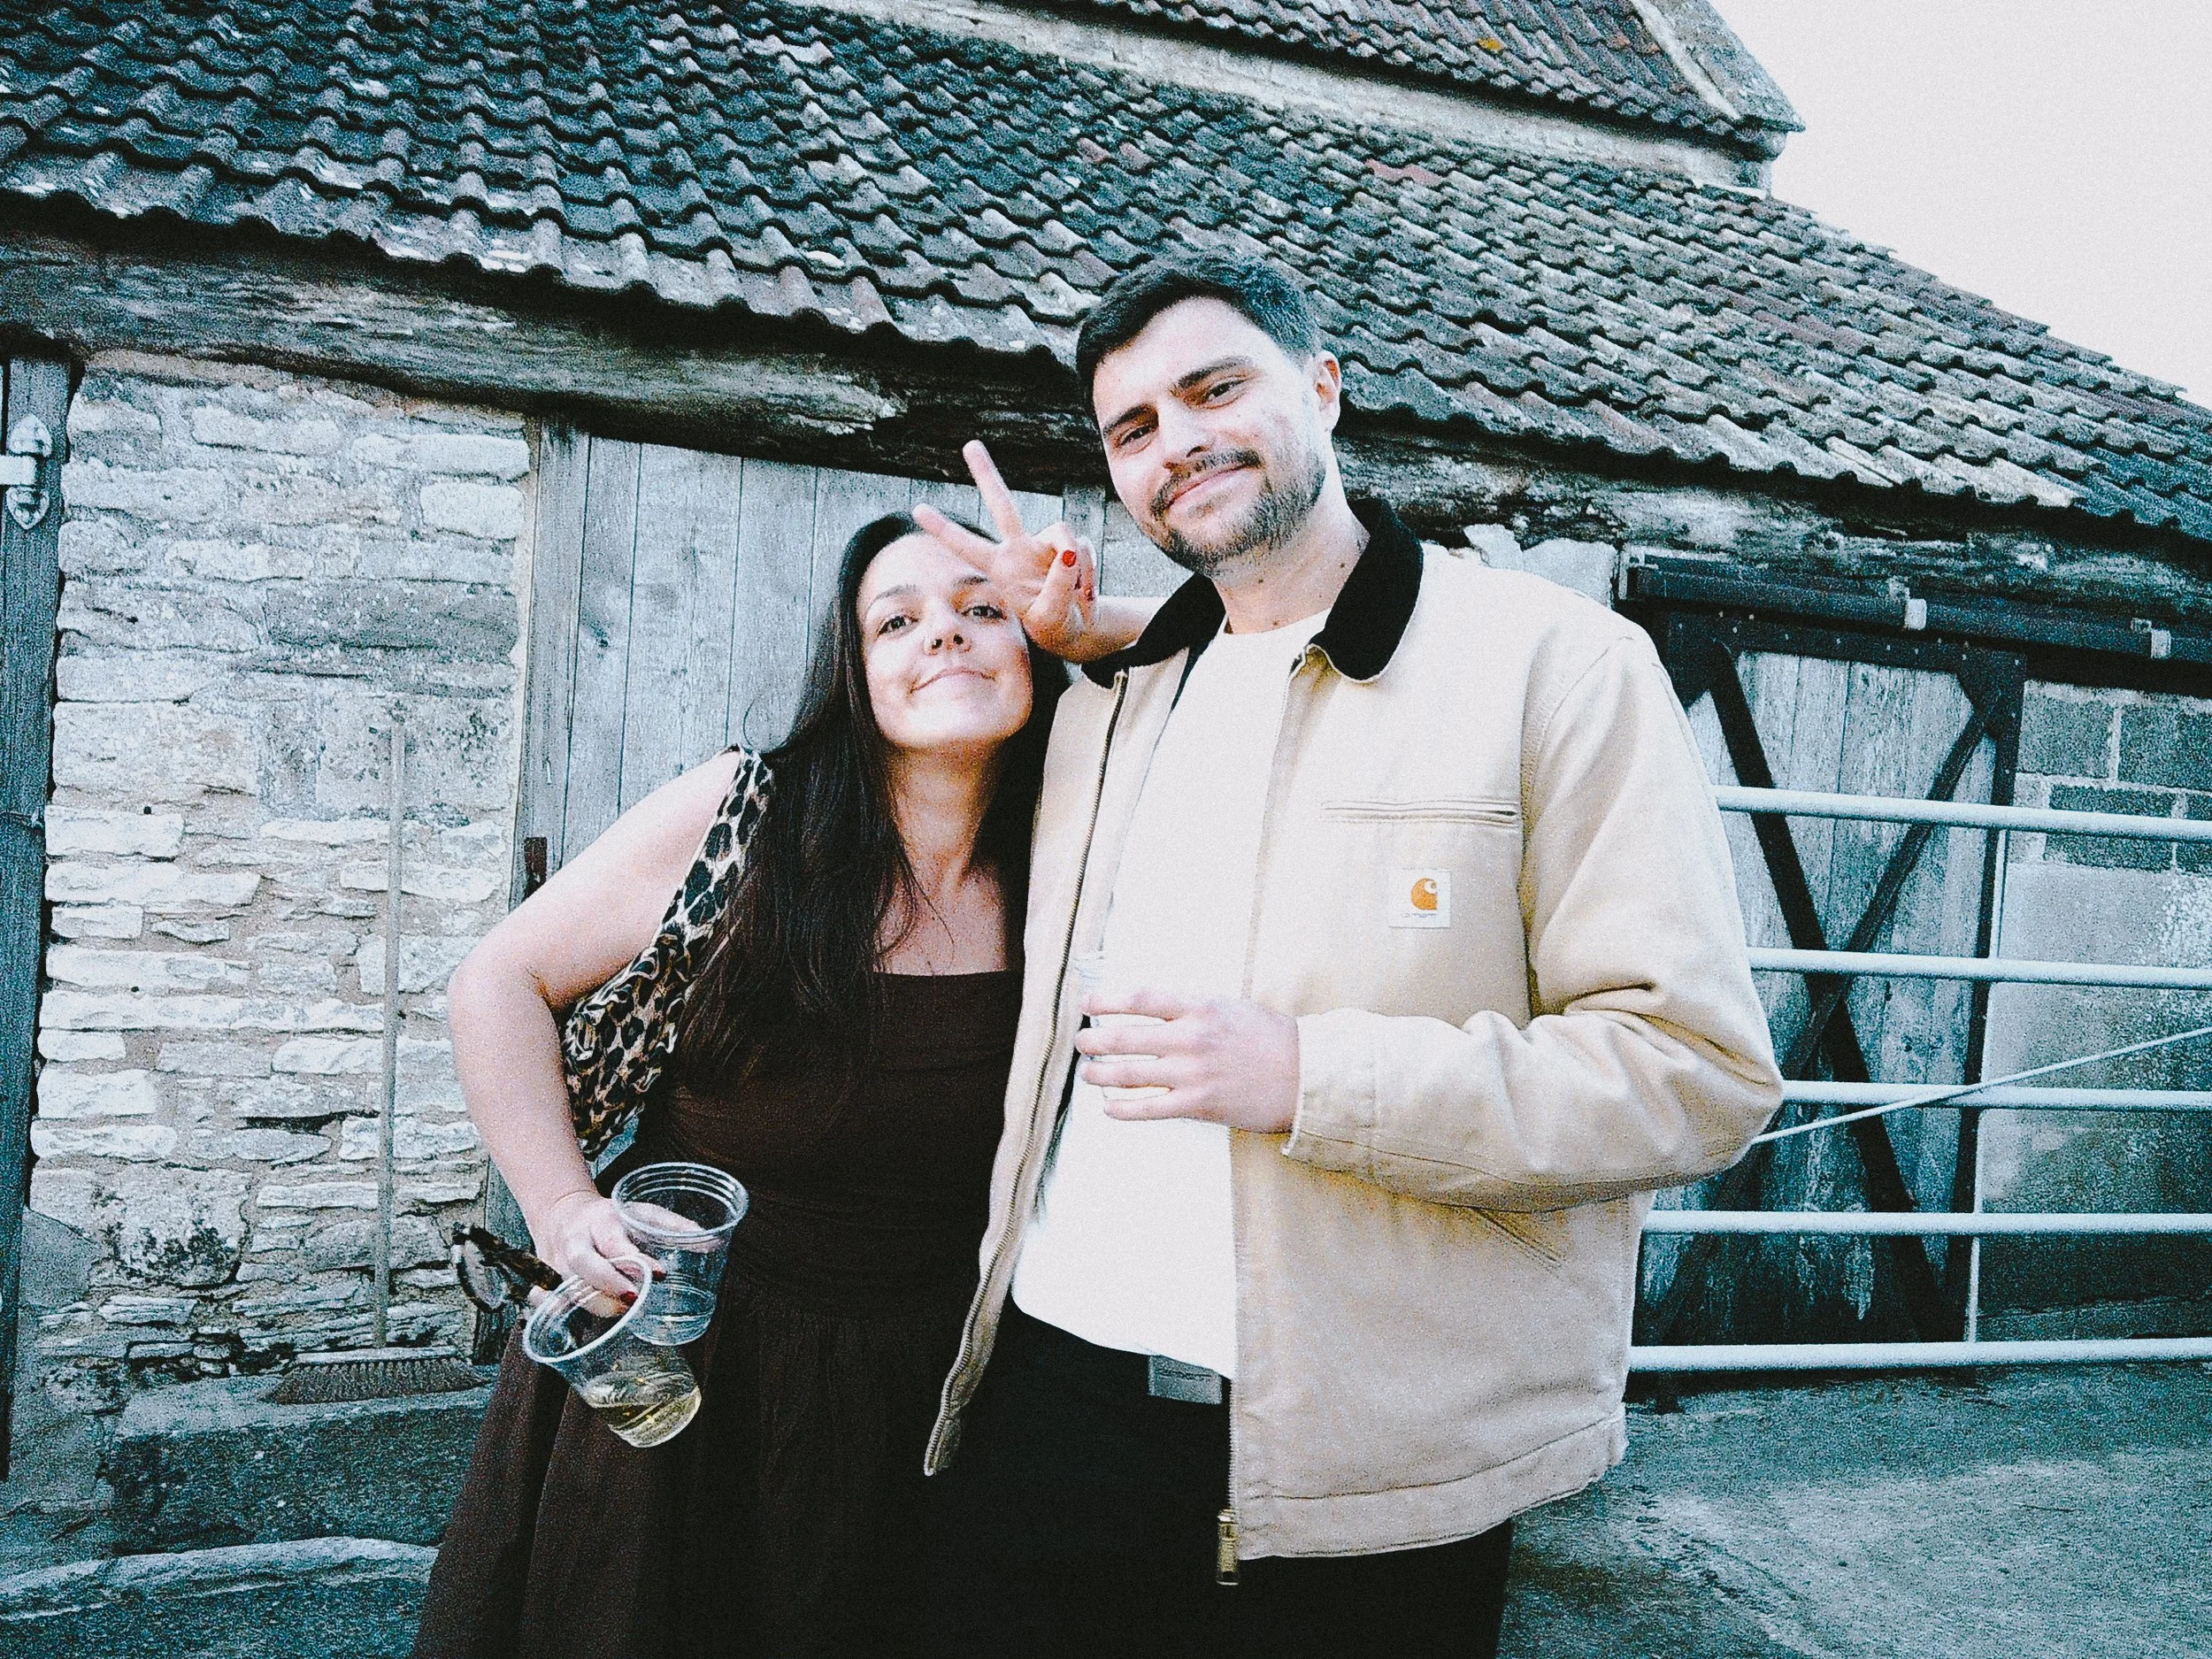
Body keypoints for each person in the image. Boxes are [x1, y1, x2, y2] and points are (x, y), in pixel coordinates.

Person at [917, 251, 1786, 1655]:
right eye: (1132, 428)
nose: (1177, 442)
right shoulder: (1120, 690)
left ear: (1323, 386)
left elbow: (1694, 1069)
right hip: (1052, 1399)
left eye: (1216, 388)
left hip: (1361, 1462)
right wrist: (1074, 634)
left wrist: (1310, 1075)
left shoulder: (1560, 668)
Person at [411, 506, 1142, 1658]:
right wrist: (561, 1207)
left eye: (982, 609)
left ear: (1039, 645)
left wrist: (1107, 627)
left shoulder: (1075, 864)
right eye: (895, 621)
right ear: (855, 674)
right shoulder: (746, 815)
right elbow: (497, 981)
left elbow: (1264, 693)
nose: (941, 637)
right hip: (687, 1372)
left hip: (928, 1400)